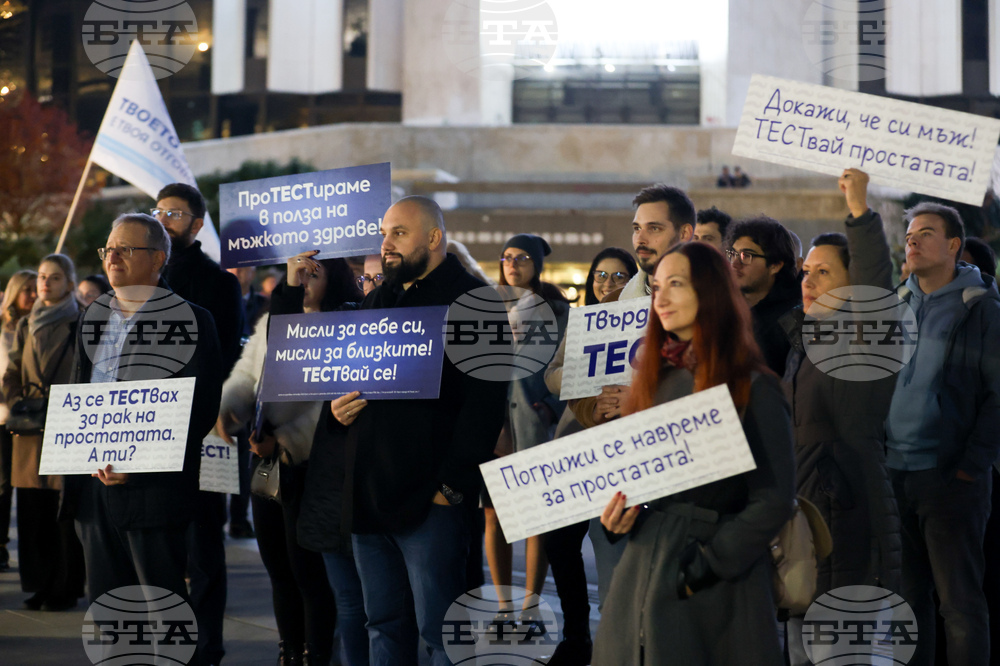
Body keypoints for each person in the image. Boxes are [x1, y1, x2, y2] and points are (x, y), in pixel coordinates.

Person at [297, 196, 508, 665]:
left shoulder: (475, 300)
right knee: (383, 627)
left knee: (440, 634)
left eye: (399, 233)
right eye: (384, 232)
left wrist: (450, 488)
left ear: (433, 238)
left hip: (431, 504)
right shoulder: (379, 298)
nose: (385, 244)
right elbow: (353, 379)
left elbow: (486, 404)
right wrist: (337, 408)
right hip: (370, 498)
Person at [593, 242, 795, 665]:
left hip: (716, 592)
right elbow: (638, 484)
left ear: (711, 292)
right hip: (640, 580)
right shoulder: (653, 382)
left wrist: (707, 565)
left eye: (677, 284)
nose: (660, 298)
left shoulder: (754, 387)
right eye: (657, 285)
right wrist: (618, 519)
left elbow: (774, 498)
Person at [65, 213, 223, 613]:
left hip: (153, 492)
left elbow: (197, 412)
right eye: (109, 249)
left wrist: (137, 464)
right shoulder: (92, 316)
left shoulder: (191, 321)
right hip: (92, 490)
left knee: (162, 615)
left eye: (126, 249)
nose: (112, 256)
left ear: (157, 259)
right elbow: (78, 393)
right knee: (110, 616)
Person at [781, 169, 901, 664]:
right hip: (803, 521)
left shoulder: (864, 345)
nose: (807, 280)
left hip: (847, 517)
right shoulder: (805, 344)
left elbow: (879, 293)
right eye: (805, 271)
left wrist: (859, 211)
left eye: (823, 272)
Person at [217, 252, 361, 666]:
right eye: (296, 271)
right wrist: (227, 410)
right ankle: (288, 650)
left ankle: (316, 652)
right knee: (279, 572)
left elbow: (319, 401)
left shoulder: (344, 328)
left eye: (312, 271)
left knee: (310, 575)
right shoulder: (270, 323)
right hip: (268, 467)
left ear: (331, 276)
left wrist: (278, 435)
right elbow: (247, 377)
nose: (303, 278)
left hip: (314, 468)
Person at [887, 201, 1000, 665]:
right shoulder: (896, 301)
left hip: (950, 476)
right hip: (896, 473)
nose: (912, 240)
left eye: (926, 233)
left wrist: (970, 468)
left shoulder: (981, 308)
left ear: (954, 245)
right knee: (908, 607)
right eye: (910, 233)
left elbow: (997, 396)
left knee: (959, 606)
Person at [153, 182, 244, 666]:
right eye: (159, 210)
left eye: (175, 212)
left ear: (197, 223)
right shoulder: (135, 285)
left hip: (207, 431)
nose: (165, 218)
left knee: (205, 543)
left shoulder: (219, 283)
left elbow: (228, 360)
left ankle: (207, 644)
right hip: (150, 430)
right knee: (160, 542)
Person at [486, 234, 570, 633]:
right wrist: (491, 425)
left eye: (521, 258)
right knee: (496, 517)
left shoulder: (556, 310)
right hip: (496, 426)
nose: (513, 264)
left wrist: (549, 408)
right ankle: (504, 605)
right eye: (506, 257)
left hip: (536, 425)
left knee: (536, 518)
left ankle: (531, 606)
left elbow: (566, 365)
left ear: (536, 264)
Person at [3, 256, 85, 611]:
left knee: (63, 514)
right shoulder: (27, 323)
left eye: (54, 277)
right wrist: (15, 397)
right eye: (41, 277)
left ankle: (66, 588)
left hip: (68, 425)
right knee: (33, 513)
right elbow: (13, 369)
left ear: (69, 282)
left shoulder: (81, 320)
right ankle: (39, 584)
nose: (45, 283)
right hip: (29, 428)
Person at [725, 216, 801, 376]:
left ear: (775, 265)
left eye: (746, 256)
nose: (734, 264)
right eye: (732, 254)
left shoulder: (793, 319)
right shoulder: (723, 307)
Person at [0, 269, 36, 572]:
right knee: (1, 485)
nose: (34, 294)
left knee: (24, 485)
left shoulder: (37, 326)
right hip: (2, 417)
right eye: (28, 289)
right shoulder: (4, 329)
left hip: (30, 418)